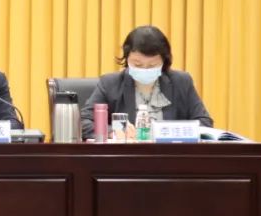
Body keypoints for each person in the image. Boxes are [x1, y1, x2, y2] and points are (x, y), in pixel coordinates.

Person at [80, 24, 213, 139]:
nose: (144, 69)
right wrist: (113, 131)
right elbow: (83, 122)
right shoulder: (110, 84)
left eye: (152, 65)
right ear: (127, 59)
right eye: (137, 64)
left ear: (164, 61)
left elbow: (205, 122)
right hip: (127, 156)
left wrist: (172, 131)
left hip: (170, 155)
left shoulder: (181, 82)